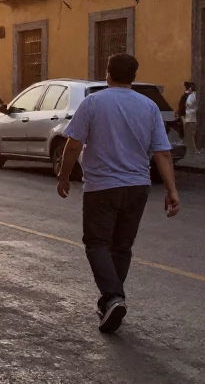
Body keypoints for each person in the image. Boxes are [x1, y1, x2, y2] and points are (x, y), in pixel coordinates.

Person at [56, 53, 180, 333]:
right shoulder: (149, 106)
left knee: (97, 242)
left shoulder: (93, 102)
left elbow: (74, 144)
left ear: (107, 73)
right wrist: (172, 190)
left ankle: (113, 297)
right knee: (121, 246)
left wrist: (64, 176)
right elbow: (162, 152)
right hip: (138, 186)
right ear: (134, 77)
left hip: (102, 187)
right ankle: (111, 301)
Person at [179, 81, 200, 154]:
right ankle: (192, 150)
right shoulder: (194, 95)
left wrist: (182, 116)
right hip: (191, 117)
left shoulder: (189, 96)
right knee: (191, 134)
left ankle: (193, 150)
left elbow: (183, 107)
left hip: (188, 117)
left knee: (189, 135)